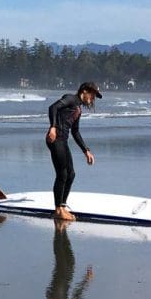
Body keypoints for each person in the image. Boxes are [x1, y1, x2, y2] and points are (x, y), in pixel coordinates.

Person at [46, 81, 101, 222]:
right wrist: (53, 127)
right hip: (55, 138)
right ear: (84, 91)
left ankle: (62, 207)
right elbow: (53, 107)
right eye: (93, 94)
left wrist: (86, 151)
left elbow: (75, 132)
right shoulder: (70, 98)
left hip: (63, 140)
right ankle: (58, 210)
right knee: (62, 174)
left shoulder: (78, 109)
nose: (93, 98)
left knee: (71, 174)